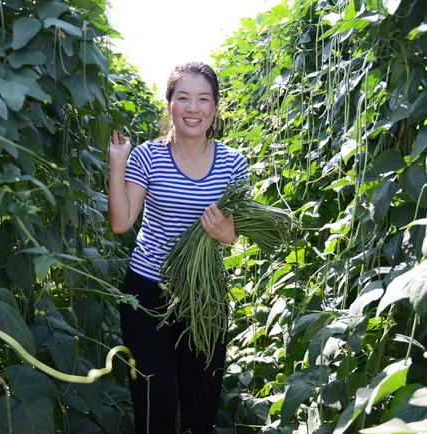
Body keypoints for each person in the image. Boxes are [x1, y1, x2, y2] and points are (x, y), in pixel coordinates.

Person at [108, 61, 250, 434]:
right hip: (148, 291)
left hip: (205, 295)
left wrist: (223, 232)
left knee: (202, 403)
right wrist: (117, 165)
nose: (193, 108)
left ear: (214, 109)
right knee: (155, 400)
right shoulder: (147, 156)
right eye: (183, 97)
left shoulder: (233, 164)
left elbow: (235, 233)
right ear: (169, 103)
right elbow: (122, 223)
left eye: (203, 99)